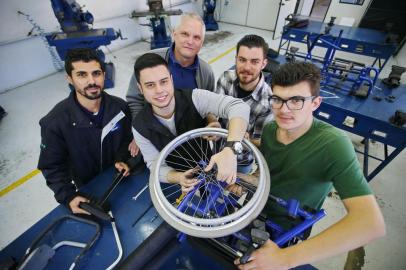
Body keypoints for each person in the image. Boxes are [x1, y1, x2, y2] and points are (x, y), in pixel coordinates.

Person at [235, 62, 385, 269]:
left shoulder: (333, 144)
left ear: (316, 103)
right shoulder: (270, 129)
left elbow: (370, 223)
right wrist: (238, 177)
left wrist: (285, 258)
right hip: (252, 212)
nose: (284, 110)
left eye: (296, 100)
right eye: (277, 99)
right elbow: (266, 173)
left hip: (288, 230)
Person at [38, 48, 138, 215]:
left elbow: (126, 140)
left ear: (104, 75)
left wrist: (122, 159)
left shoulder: (120, 108)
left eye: (96, 73)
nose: (92, 81)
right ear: (69, 78)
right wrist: (68, 196)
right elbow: (52, 166)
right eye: (82, 75)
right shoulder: (55, 123)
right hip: (88, 188)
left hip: (119, 180)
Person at [132, 53, 250, 190]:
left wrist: (230, 150)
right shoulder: (139, 127)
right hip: (180, 178)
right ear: (140, 88)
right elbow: (154, 164)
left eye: (164, 81)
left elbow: (239, 106)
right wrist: (178, 177)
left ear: (171, 79)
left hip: (209, 164)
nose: (159, 90)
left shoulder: (195, 97)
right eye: (150, 85)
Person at [126, 12, 216, 156]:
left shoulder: (206, 72)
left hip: (193, 142)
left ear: (202, 42)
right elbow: (134, 99)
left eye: (197, 37)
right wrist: (139, 133)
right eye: (185, 34)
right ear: (174, 34)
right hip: (156, 138)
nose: (190, 41)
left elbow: (208, 106)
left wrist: (212, 121)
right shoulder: (151, 62)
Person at [215, 34, 272, 146]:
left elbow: (261, 142)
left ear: (263, 64)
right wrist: (213, 121)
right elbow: (213, 109)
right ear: (236, 59)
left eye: (254, 61)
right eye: (242, 60)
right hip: (217, 147)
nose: (246, 67)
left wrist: (248, 139)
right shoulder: (225, 78)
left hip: (241, 159)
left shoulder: (268, 102)